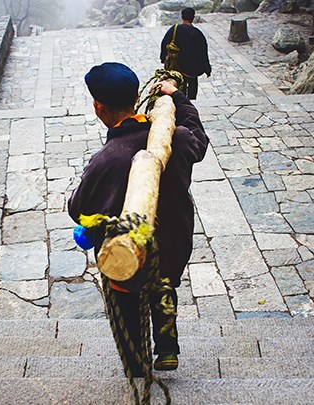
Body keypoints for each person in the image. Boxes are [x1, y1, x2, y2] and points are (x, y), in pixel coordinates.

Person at [68, 62, 209, 376]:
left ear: (98, 107)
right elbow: (198, 133)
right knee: (164, 286)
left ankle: (137, 365)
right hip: (172, 245)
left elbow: (78, 209)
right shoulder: (179, 138)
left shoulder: (106, 159)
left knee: (128, 310)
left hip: (128, 259)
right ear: (136, 98)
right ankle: (167, 345)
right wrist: (177, 97)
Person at [160, 7, 212, 100]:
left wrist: (163, 58)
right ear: (193, 18)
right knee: (192, 87)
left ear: (182, 17)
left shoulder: (174, 29)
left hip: (176, 65)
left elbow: (164, 43)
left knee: (180, 87)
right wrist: (207, 68)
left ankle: (181, 103)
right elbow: (203, 53)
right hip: (191, 69)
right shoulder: (197, 34)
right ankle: (191, 104)